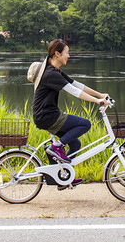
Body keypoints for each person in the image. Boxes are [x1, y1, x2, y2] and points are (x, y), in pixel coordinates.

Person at [27, 39, 110, 186]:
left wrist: (100, 95)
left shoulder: (55, 71)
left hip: (46, 115)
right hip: (47, 116)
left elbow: (76, 84)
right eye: (67, 53)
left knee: (75, 144)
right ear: (57, 54)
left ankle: (62, 175)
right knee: (85, 124)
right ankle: (56, 147)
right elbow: (74, 92)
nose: (69, 56)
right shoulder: (50, 73)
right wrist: (97, 102)